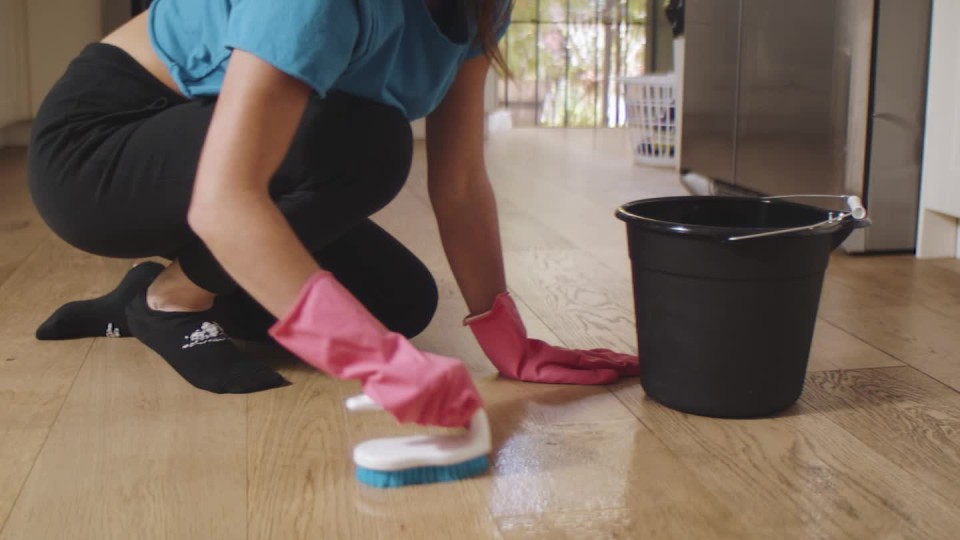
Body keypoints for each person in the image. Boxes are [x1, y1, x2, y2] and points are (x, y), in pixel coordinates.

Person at [27, 0, 639, 427]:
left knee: (399, 304)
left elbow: (458, 180)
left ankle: (156, 291)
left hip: (216, 155)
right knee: (367, 143)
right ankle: (176, 300)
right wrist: (371, 361)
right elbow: (225, 199)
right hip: (97, 152)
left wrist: (509, 340)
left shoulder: (480, 6)